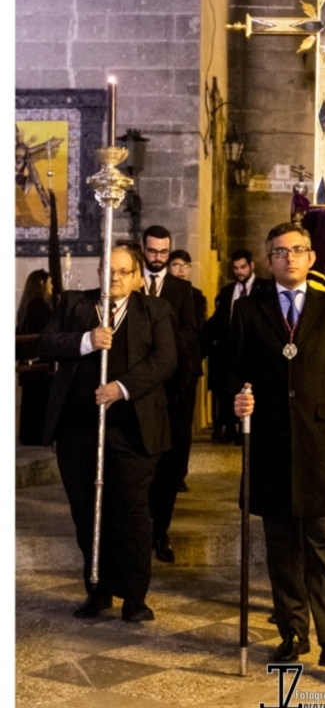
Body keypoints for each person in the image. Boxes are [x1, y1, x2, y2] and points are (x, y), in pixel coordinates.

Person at [230, 222, 325, 668]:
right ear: (269, 261)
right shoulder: (250, 310)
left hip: (321, 443)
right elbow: (234, 370)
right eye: (280, 252)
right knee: (283, 548)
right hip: (270, 443)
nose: (290, 258)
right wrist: (239, 397)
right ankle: (291, 632)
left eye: (298, 250)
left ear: (311, 258)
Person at [39, 247, 177, 621]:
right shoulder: (73, 305)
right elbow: (47, 342)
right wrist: (86, 341)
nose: (114, 277)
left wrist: (122, 388)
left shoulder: (155, 312)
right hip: (78, 431)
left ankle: (135, 597)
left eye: (123, 271)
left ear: (136, 277)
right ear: (98, 271)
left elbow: (165, 360)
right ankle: (97, 590)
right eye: (108, 270)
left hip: (132, 432)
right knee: (87, 512)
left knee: (130, 513)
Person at [141, 225, 197, 564]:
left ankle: (160, 531)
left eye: (164, 252)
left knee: (169, 465)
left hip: (172, 387)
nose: (159, 258)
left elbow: (190, 333)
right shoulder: (134, 284)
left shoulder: (181, 288)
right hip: (139, 387)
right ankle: (137, 532)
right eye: (153, 252)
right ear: (143, 249)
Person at [205, 249, 269, 442]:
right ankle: (228, 427)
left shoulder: (265, 288)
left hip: (255, 350)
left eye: (243, 267)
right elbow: (219, 323)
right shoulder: (226, 292)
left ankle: (248, 431)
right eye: (235, 268)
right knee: (228, 389)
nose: (239, 272)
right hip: (228, 351)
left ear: (252, 266)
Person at [167, 248, 207, 491]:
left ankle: (178, 473)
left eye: (185, 266)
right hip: (164, 365)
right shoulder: (160, 292)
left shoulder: (196, 296)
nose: (180, 271)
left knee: (182, 425)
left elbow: (195, 328)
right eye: (176, 266)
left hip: (187, 367)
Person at [16, 269, 54, 445]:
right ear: (42, 284)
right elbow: (47, 328)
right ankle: (37, 438)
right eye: (49, 283)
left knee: (31, 403)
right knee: (37, 404)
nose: (52, 286)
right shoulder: (38, 304)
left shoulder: (28, 303)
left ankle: (29, 436)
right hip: (37, 363)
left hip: (29, 362)